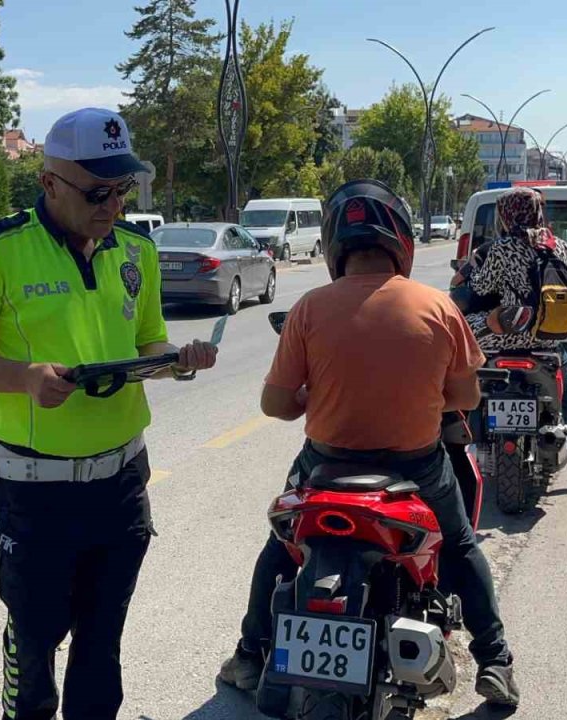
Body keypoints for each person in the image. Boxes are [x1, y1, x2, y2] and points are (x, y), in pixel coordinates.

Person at [0, 107, 217, 720]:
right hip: (35, 493)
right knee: (36, 643)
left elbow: (147, 343)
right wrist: (23, 380)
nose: (112, 204)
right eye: (97, 191)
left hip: (120, 486)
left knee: (101, 642)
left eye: (121, 189)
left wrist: (176, 360)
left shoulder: (136, 249)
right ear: (50, 183)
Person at [218, 179, 520, 707]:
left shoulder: (309, 308)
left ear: (336, 245)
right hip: (417, 467)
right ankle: (494, 661)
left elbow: (276, 404)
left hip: (324, 466)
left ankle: (248, 655)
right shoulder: (437, 306)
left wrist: (314, 396)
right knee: (462, 545)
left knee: (280, 549)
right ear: (400, 242)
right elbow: (465, 396)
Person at [458, 187, 567, 488]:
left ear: (505, 215)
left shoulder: (499, 248)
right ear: (538, 212)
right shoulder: (558, 246)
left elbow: (482, 288)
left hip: (502, 340)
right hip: (544, 342)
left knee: (472, 386)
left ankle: (465, 453)